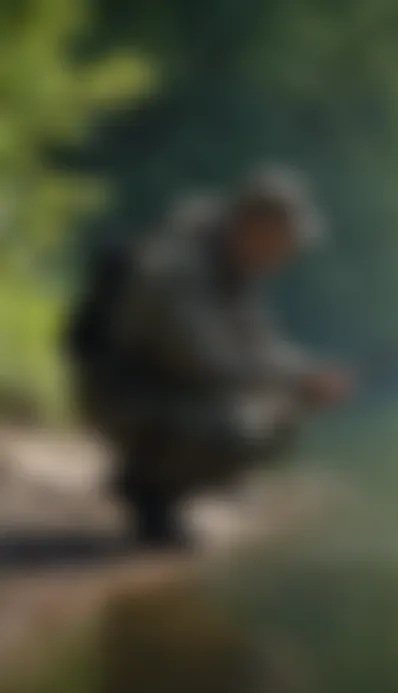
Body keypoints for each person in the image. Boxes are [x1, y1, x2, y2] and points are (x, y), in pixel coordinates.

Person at [68, 166, 353, 547]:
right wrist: (296, 382)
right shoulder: (180, 268)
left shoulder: (232, 266)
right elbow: (203, 360)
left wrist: (308, 374)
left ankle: (154, 483)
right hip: (118, 393)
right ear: (256, 226)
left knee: (278, 418)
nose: (287, 255)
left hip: (159, 390)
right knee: (241, 428)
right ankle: (148, 491)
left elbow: (258, 345)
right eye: (285, 242)